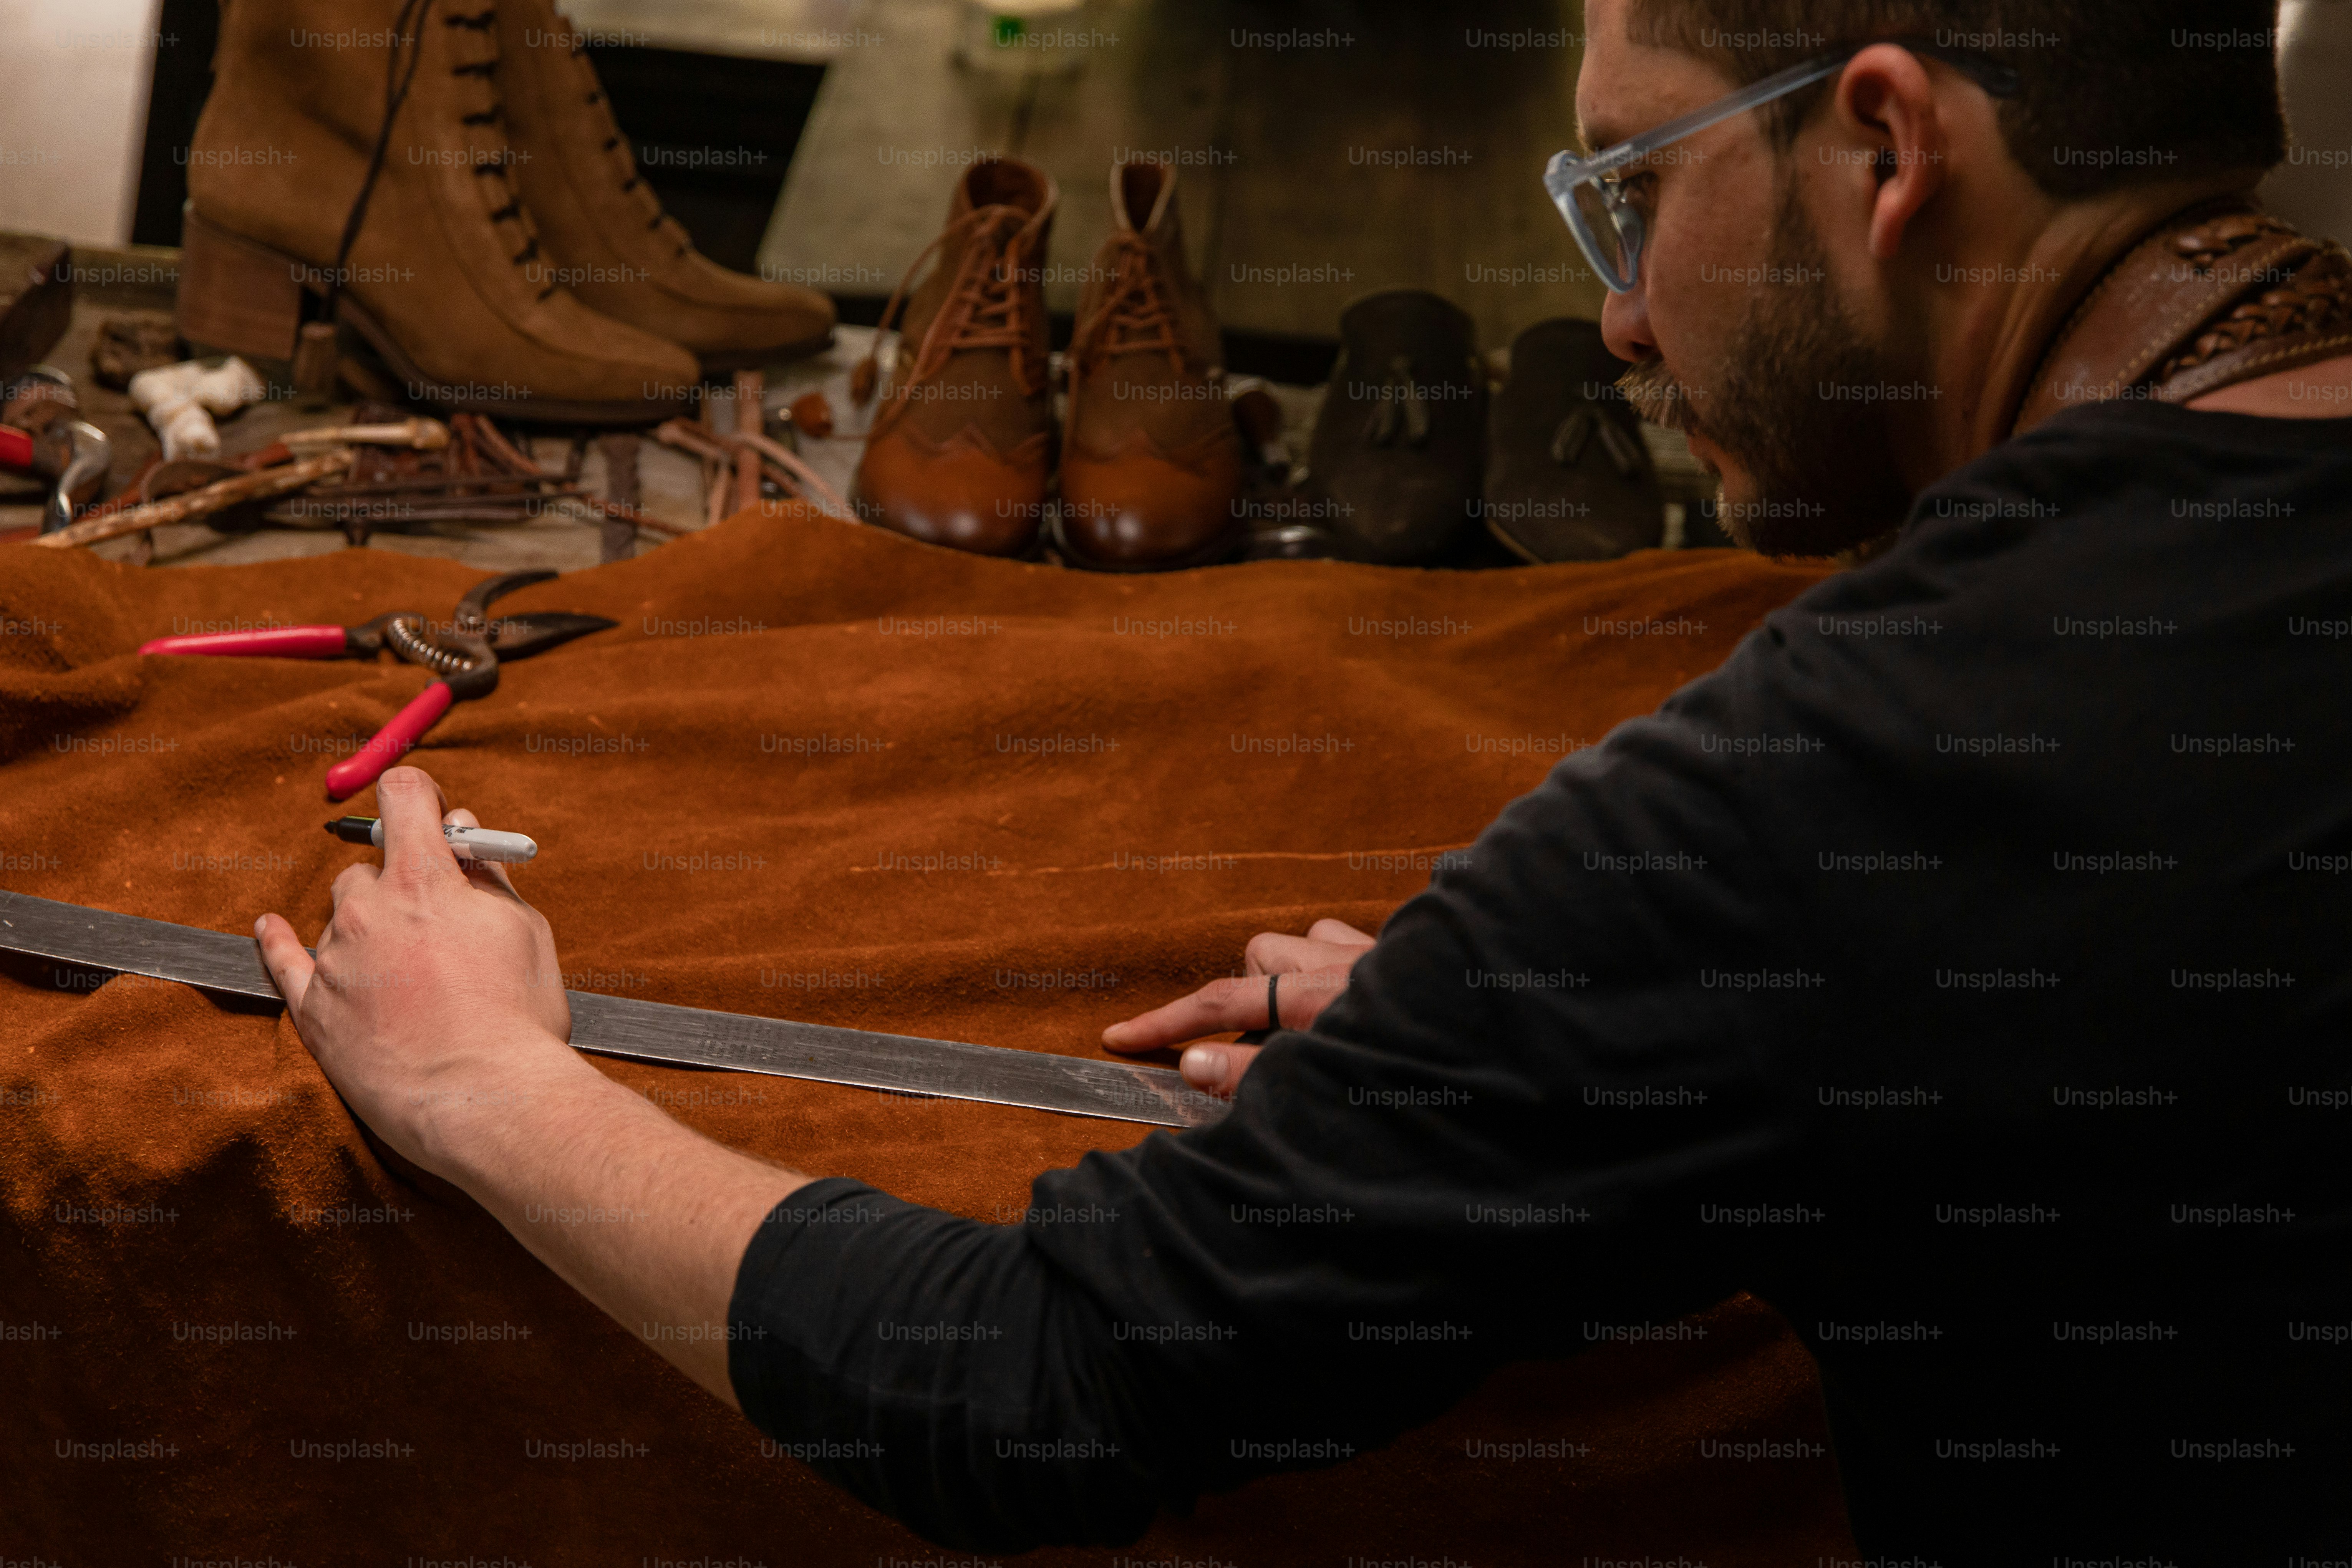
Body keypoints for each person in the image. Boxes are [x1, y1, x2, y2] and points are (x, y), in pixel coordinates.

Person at [254, 0, 2352, 1558]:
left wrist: (489, 1087)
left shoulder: (1847, 767)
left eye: (1634, 185)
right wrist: (1573, 1065)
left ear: (1885, 143)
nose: (1618, 323)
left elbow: (1039, 1380)